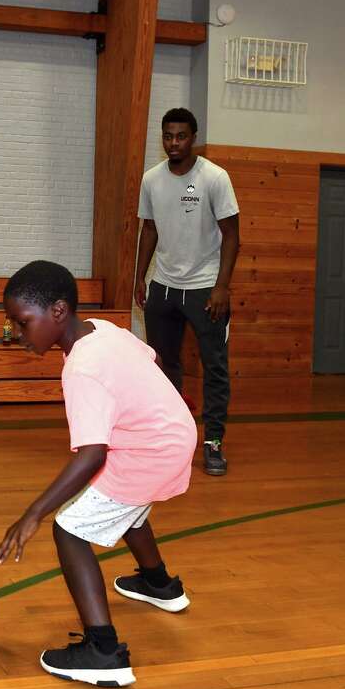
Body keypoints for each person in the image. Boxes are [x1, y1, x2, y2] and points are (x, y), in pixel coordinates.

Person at [0, 260, 195, 688]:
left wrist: (33, 513)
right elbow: (149, 357)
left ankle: (103, 651)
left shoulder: (81, 370)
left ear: (59, 312)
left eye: (23, 322)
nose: (15, 333)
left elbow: (91, 455)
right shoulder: (102, 328)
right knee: (125, 507)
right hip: (173, 432)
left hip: (151, 450)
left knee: (70, 529)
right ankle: (160, 585)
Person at [134, 107, 240, 476]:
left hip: (205, 289)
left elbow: (232, 235)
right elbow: (149, 230)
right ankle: (171, 438)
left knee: (214, 367)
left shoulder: (214, 177)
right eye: (167, 136)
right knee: (164, 368)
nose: (173, 143)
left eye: (180, 136)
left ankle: (213, 444)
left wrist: (221, 287)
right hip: (163, 286)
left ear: (193, 137)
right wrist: (139, 277)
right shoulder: (151, 179)